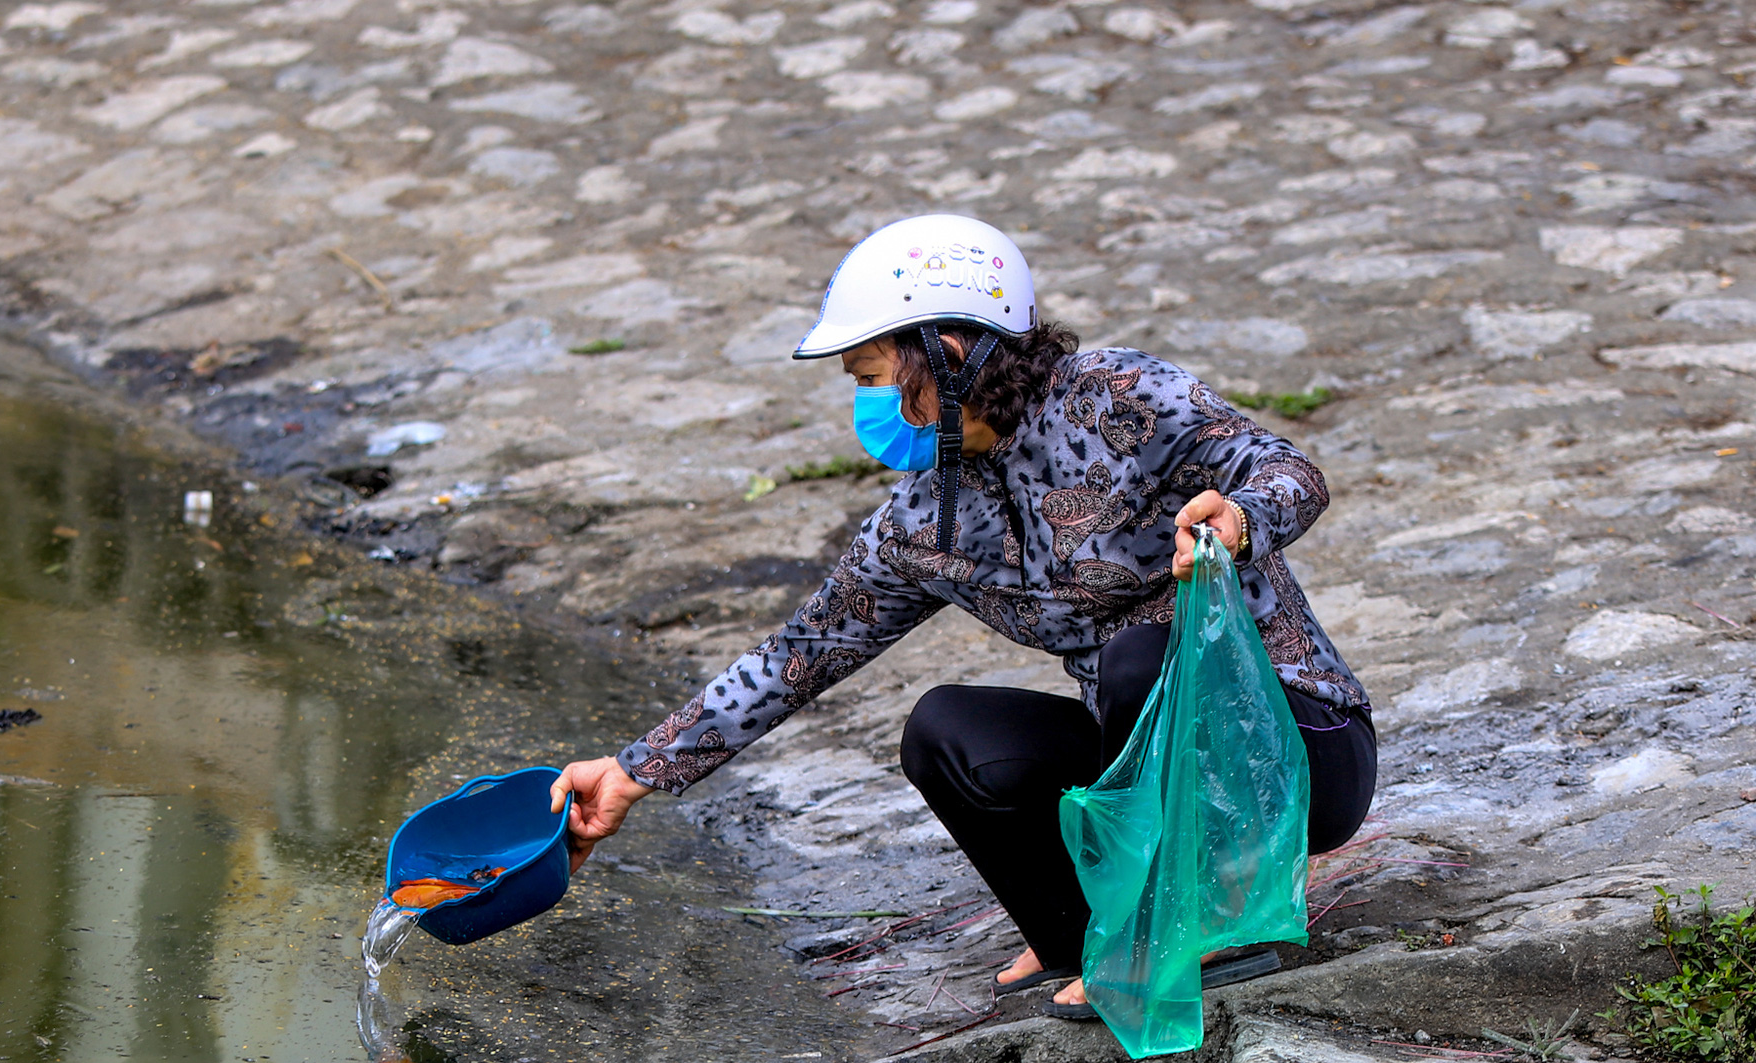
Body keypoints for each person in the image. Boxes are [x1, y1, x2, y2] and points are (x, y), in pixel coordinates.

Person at [549, 213, 1375, 1019]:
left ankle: (1201, 926)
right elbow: (799, 653)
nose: (866, 404)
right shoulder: (924, 520)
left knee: (1137, 658)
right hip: (1139, 746)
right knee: (945, 727)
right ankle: (1082, 933)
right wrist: (632, 772)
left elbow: (1286, 466)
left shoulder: (1117, 395)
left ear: (944, 352)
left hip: (1294, 749)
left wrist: (1237, 520)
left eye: (871, 376)